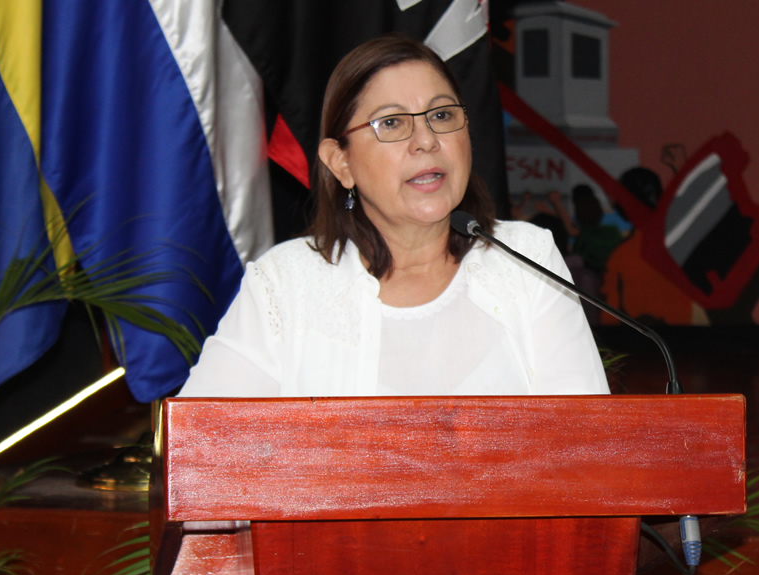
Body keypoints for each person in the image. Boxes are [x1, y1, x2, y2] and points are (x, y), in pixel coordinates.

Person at [177, 34, 608, 397]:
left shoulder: (526, 260)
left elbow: (587, 448)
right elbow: (202, 454)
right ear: (340, 162)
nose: (425, 140)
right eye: (392, 123)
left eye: (441, 115)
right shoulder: (285, 285)